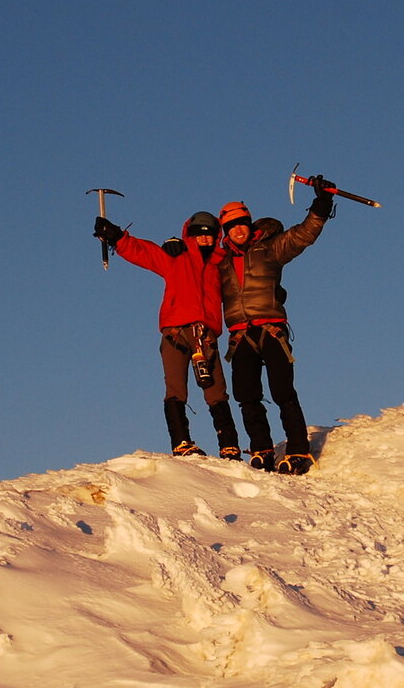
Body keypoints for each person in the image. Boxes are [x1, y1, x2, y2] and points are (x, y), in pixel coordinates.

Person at [94, 210, 242, 460]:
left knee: (216, 390)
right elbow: (144, 252)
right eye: (199, 234)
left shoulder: (221, 263)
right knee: (175, 388)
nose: (204, 239)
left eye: (209, 235)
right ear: (190, 236)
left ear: (217, 237)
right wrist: (116, 236)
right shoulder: (176, 256)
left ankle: (229, 446)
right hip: (176, 332)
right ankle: (181, 442)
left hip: (205, 335)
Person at [214, 177, 335, 475]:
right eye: (232, 227)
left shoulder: (269, 249)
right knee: (247, 396)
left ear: (249, 225)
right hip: (240, 335)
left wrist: (322, 203)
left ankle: (298, 450)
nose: (238, 230)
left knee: (283, 392)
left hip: (272, 330)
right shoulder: (220, 262)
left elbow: (303, 235)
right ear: (226, 232)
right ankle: (262, 450)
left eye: (242, 224)